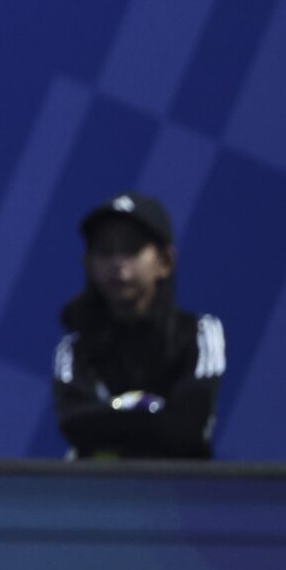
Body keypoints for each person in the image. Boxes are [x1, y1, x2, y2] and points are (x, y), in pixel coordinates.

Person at [54, 192, 225, 459]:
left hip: (180, 494)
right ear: (88, 263)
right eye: (104, 250)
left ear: (165, 261)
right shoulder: (74, 348)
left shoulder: (201, 332)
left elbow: (189, 424)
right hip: (96, 494)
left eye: (132, 249)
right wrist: (156, 417)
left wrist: (109, 418)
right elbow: (74, 424)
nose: (118, 264)